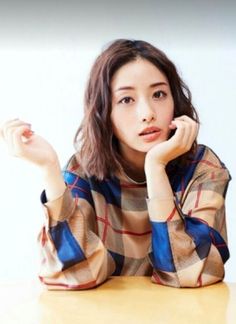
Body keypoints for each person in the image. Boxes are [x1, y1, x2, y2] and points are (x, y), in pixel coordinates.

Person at [0, 39, 231, 289]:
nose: (147, 113)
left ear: (175, 101)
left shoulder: (202, 168)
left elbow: (188, 273)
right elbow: (75, 275)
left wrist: (155, 168)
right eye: (126, 100)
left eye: (159, 94)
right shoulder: (84, 172)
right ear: (104, 112)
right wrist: (49, 170)